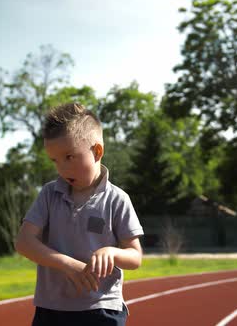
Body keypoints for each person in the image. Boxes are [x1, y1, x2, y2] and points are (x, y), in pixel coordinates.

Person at [15, 102, 144, 326]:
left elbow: (135, 257)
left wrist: (111, 252)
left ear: (97, 151)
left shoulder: (117, 199)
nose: (62, 169)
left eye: (69, 157)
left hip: (102, 309)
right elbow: (24, 243)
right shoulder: (48, 194)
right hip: (51, 309)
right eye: (55, 160)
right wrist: (68, 265)